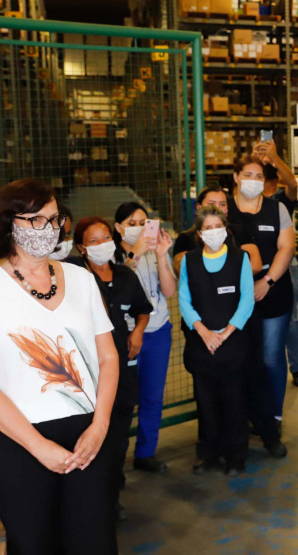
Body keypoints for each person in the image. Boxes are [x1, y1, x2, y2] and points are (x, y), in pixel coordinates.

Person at [0, 179, 119, 553]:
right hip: (18, 443)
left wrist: (100, 426)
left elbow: (109, 358)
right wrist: (40, 448)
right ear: (8, 223)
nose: (51, 229)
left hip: (87, 436)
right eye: (37, 220)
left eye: (54, 218)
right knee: (35, 544)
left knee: (94, 540)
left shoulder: (81, 279)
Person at [71, 216, 152, 522]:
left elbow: (144, 309)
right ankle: (93, 497)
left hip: (120, 366)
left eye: (106, 237)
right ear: (81, 247)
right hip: (88, 370)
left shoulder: (124, 275)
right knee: (91, 435)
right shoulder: (76, 275)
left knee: (118, 434)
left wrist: (138, 330)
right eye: (93, 241)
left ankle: (113, 494)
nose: (103, 244)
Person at [178, 206, 255, 477]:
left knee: (235, 401)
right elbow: (184, 301)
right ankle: (208, 454)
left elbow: (247, 299)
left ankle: (236, 457)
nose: (213, 232)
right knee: (205, 401)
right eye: (207, 228)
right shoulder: (189, 260)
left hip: (232, 342)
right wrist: (204, 332)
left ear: (226, 229)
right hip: (202, 343)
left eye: (217, 226)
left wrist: (226, 332)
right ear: (199, 233)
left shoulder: (240, 258)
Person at [228, 154, 295, 458]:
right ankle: (240, 419)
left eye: (259, 176)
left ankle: (272, 418)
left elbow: (286, 247)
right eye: (248, 174)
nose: (253, 181)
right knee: (240, 359)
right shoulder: (223, 208)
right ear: (236, 177)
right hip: (229, 297)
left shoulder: (276, 208)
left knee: (270, 358)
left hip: (271, 291)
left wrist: (266, 281)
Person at [113, 202, 177, 474]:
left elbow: (169, 291)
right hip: (127, 336)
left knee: (152, 397)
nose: (138, 229)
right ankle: (115, 458)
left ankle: (146, 452)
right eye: (131, 223)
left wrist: (161, 255)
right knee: (123, 399)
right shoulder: (111, 256)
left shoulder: (154, 252)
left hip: (158, 332)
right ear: (118, 228)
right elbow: (117, 291)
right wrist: (135, 253)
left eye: (143, 223)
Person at [253, 139, 298, 388]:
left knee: (292, 318)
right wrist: (255, 157)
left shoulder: (282, 201)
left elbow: (293, 183)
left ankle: (295, 368)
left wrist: (275, 158)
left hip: (286, 266)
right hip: (256, 267)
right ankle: (264, 367)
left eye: (267, 180)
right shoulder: (247, 201)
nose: (265, 184)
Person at [172, 183, 262, 277]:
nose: (217, 208)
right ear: (199, 207)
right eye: (211, 204)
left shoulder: (238, 231)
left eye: (222, 204)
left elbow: (256, 265)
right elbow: (180, 270)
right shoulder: (185, 238)